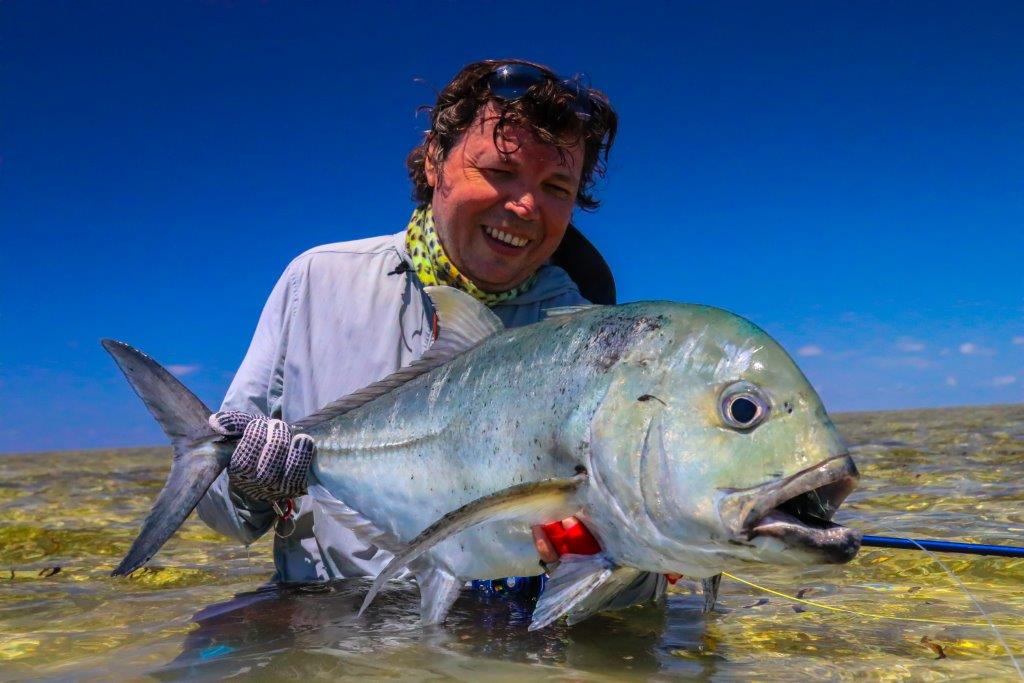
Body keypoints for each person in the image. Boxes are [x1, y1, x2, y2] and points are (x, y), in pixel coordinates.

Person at [195, 59, 631, 593]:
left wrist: (620, 562)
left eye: (557, 187)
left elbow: (617, 569)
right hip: (330, 637)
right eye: (498, 171)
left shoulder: (593, 338)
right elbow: (225, 519)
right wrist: (249, 483)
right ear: (434, 162)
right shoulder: (316, 282)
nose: (525, 206)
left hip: (498, 649)